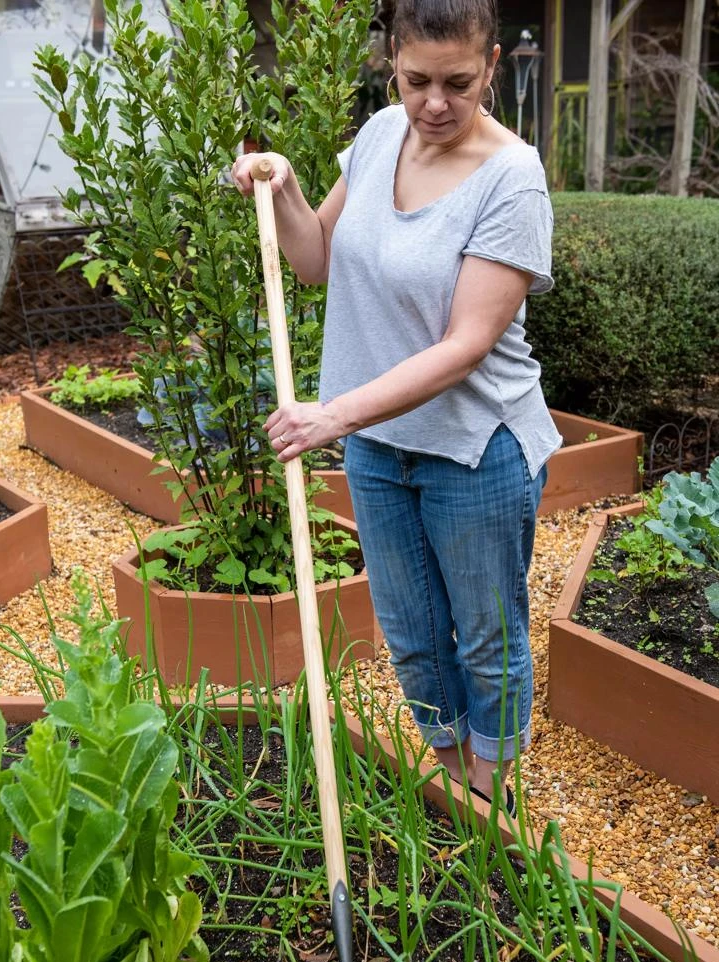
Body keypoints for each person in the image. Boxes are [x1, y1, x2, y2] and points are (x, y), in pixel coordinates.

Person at [232, 0, 561, 812]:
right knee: (412, 638)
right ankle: (450, 785)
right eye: (417, 81)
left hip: (477, 448)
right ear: (392, 63)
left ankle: (491, 801)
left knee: (485, 639)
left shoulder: (513, 177)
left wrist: (335, 415)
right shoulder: (381, 136)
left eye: (458, 83)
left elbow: (465, 344)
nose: (435, 104)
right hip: (380, 446)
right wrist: (283, 187)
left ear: (491, 66)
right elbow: (315, 258)